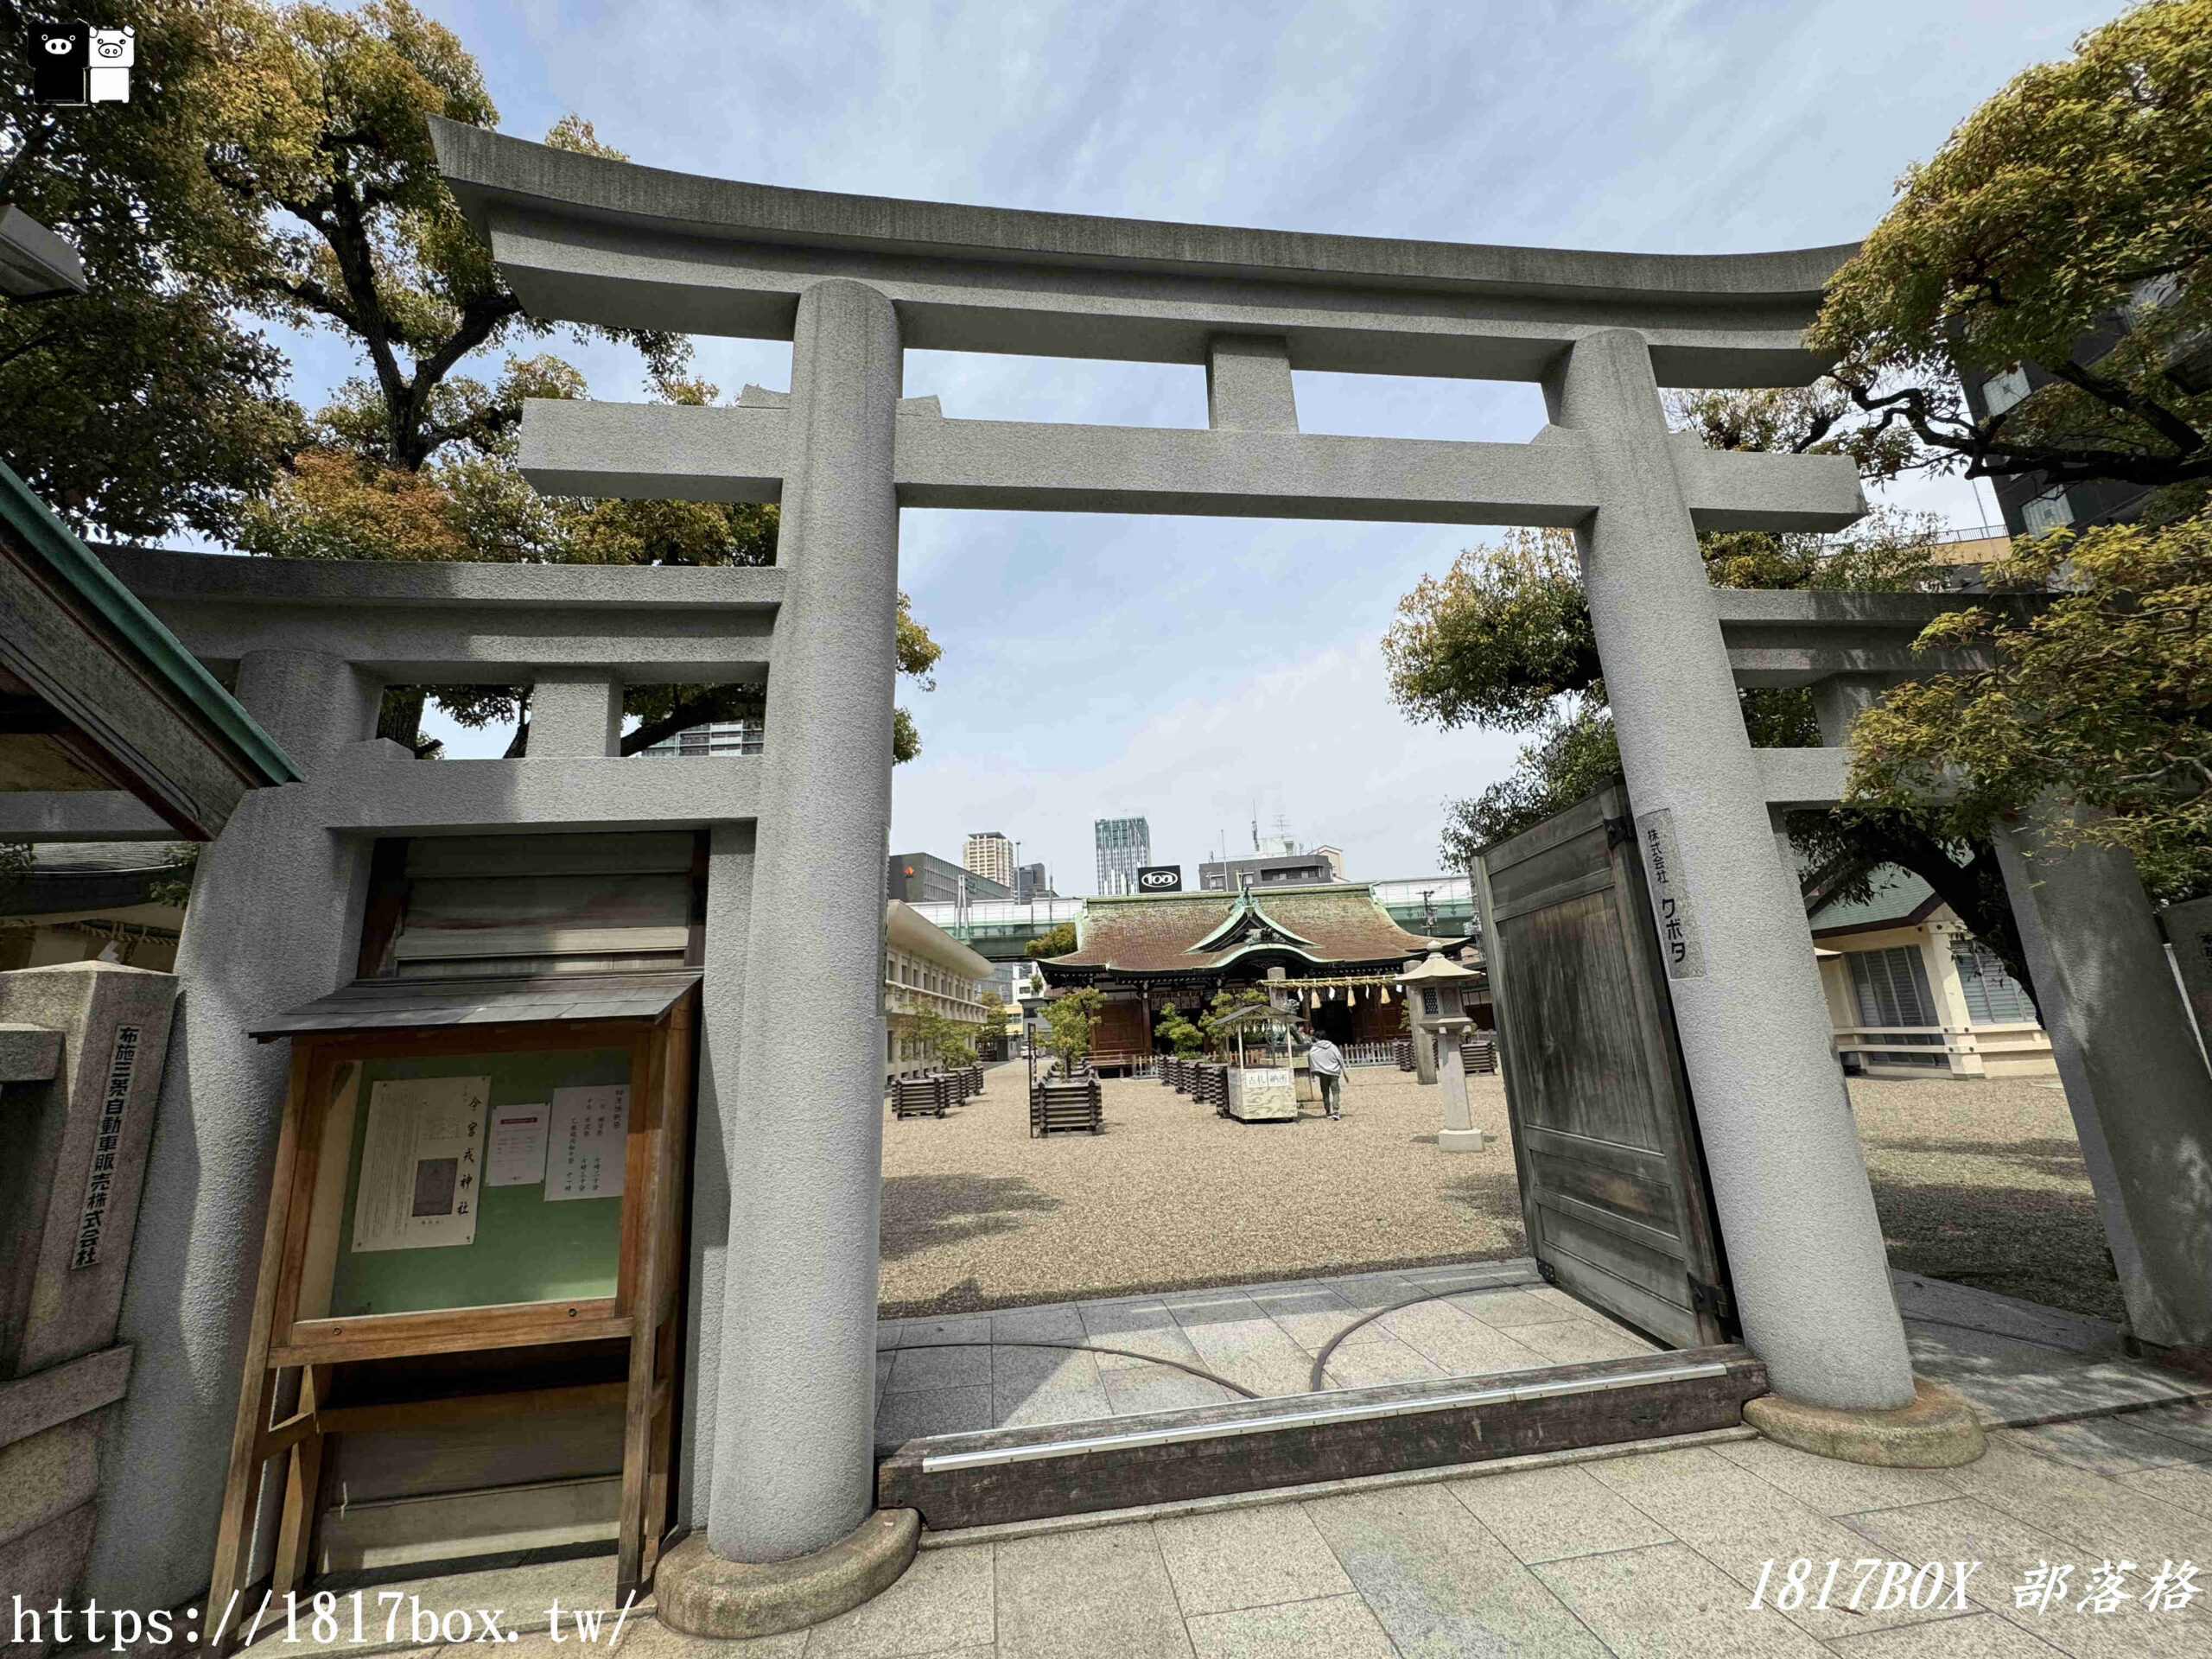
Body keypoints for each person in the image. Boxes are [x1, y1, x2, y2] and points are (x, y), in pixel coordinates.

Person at [1305, 1027, 1347, 1120]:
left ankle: (1328, 1111)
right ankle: (1336, 1111)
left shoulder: (1315, 1047)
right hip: (1334, 1072)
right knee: (1335, 1092)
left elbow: (1311, 1056)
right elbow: (1339, 1058)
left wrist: (1315, 1069)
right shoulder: (1332, 1046)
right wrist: (1345, 1071)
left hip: (1323, 1072)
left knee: (1325, 1092)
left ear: (1317, 1038)